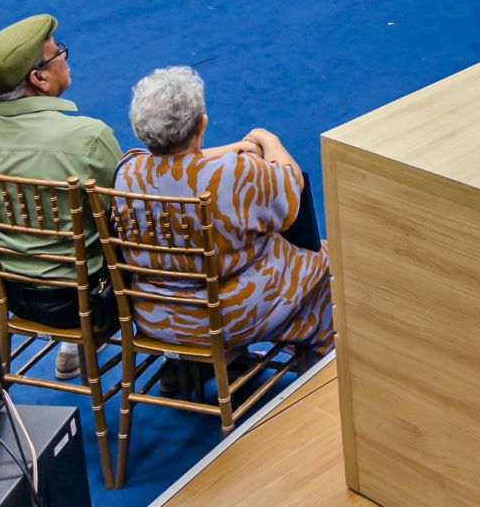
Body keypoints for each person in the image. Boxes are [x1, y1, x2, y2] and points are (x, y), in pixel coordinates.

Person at [114, 67, 332, 358]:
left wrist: (239, 147)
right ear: (201, 124)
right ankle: (323, 370)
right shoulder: (236, 174)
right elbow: (292, 188)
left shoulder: (126, 173)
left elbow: (175, 165)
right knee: (326, 264)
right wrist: (269, 140)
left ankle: (189, 370)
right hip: (227, 318)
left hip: (154, 316)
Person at [0, 16, 121, 369]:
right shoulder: (88, 137)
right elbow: (128, 215)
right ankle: (186, 358)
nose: (64, 56)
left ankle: (72, 346)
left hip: (17, 295)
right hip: (93, 298)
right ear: (39, 78)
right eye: (58, 52)